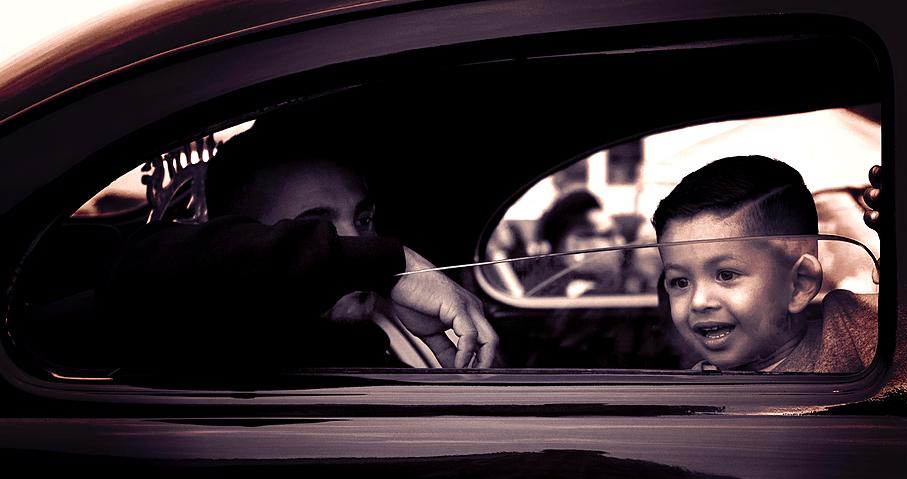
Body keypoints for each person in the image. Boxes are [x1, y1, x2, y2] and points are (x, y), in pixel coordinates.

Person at [99, 124, 498, 375]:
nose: (358, 243)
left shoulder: (383, 335)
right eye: (316, 227)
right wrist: (392, 261)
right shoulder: (215, 349)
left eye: (362, 219)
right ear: (246, 239)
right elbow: (138, 273)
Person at [652, 155, 877, 373]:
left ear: (799, 284)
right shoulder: (692, 391)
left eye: (726, 275)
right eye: (680, 282)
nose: (699, 302)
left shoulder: (848, 335)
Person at [526, 188, 626, 298]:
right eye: (607, 235)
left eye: (618, 233)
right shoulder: (555, 293)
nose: (620, 241)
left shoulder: (620, 281)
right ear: (575, 245)